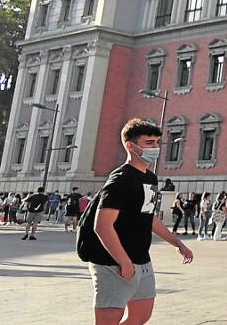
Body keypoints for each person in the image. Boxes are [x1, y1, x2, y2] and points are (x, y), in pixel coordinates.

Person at [77, 118, 194, 325]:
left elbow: (149, 217)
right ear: (131, 146)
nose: (155, 148)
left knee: (141, 316)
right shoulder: (120, 180)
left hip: (141, 259)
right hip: (112, 262)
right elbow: (102, 225)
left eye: (157, 142)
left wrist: (178, 243)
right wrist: (124, 262)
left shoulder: (150, 178)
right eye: (149, 143)